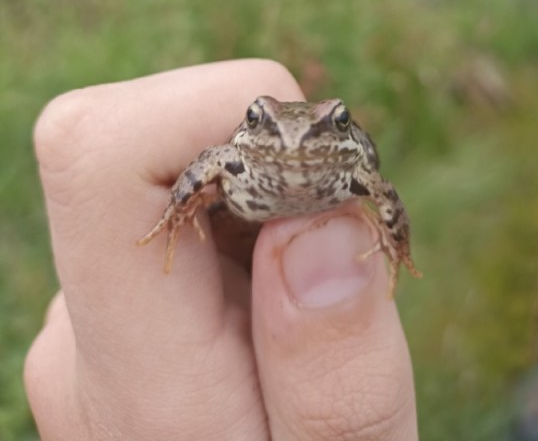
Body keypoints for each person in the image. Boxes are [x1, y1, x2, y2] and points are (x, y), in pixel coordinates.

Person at [24, 59, 418, 440]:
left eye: (339, 122)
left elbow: (389, 197)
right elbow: (207, 161)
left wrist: (396, 243)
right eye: (257, 119)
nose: (294, 139)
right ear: (249, 125)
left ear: (345, 128)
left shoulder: (355, 172)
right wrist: (177, 211)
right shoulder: (236, 159)